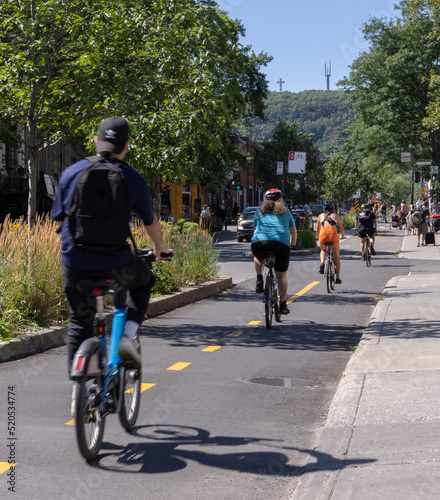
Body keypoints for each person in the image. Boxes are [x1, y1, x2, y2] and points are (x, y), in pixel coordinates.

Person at [51, 117, 172, 416]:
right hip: (116, 265)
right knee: (143, 282)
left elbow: (58, 218)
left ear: (96, 141)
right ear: (126, 146)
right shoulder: (131, 177)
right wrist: (159, 247)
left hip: (75, 263)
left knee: (80, 320)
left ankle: (79, 388)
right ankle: (128, 337)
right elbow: (149, 221)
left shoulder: (72, 172)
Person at [251, 188, 297, 315]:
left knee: (258, 257)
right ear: (280, 199)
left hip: (260, 242)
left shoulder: (259, 211)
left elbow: (255, 229)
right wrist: (292, 246)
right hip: (280, 244)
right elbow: (293, 231)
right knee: (281, 275)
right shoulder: (286, 212)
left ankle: (259, 278)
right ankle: (282, 305)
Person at [316, 201, 345, 284]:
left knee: (323, 250)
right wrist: (342, 236)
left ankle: (322, 263)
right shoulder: (336, 216)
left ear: (324, 209)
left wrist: (318, 238)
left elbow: (318, 230)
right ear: (332, 208)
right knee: (336, 257)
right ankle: (338, 278)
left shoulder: (320, 216)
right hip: (333, 235)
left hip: (323, 234)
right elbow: (341, 228)